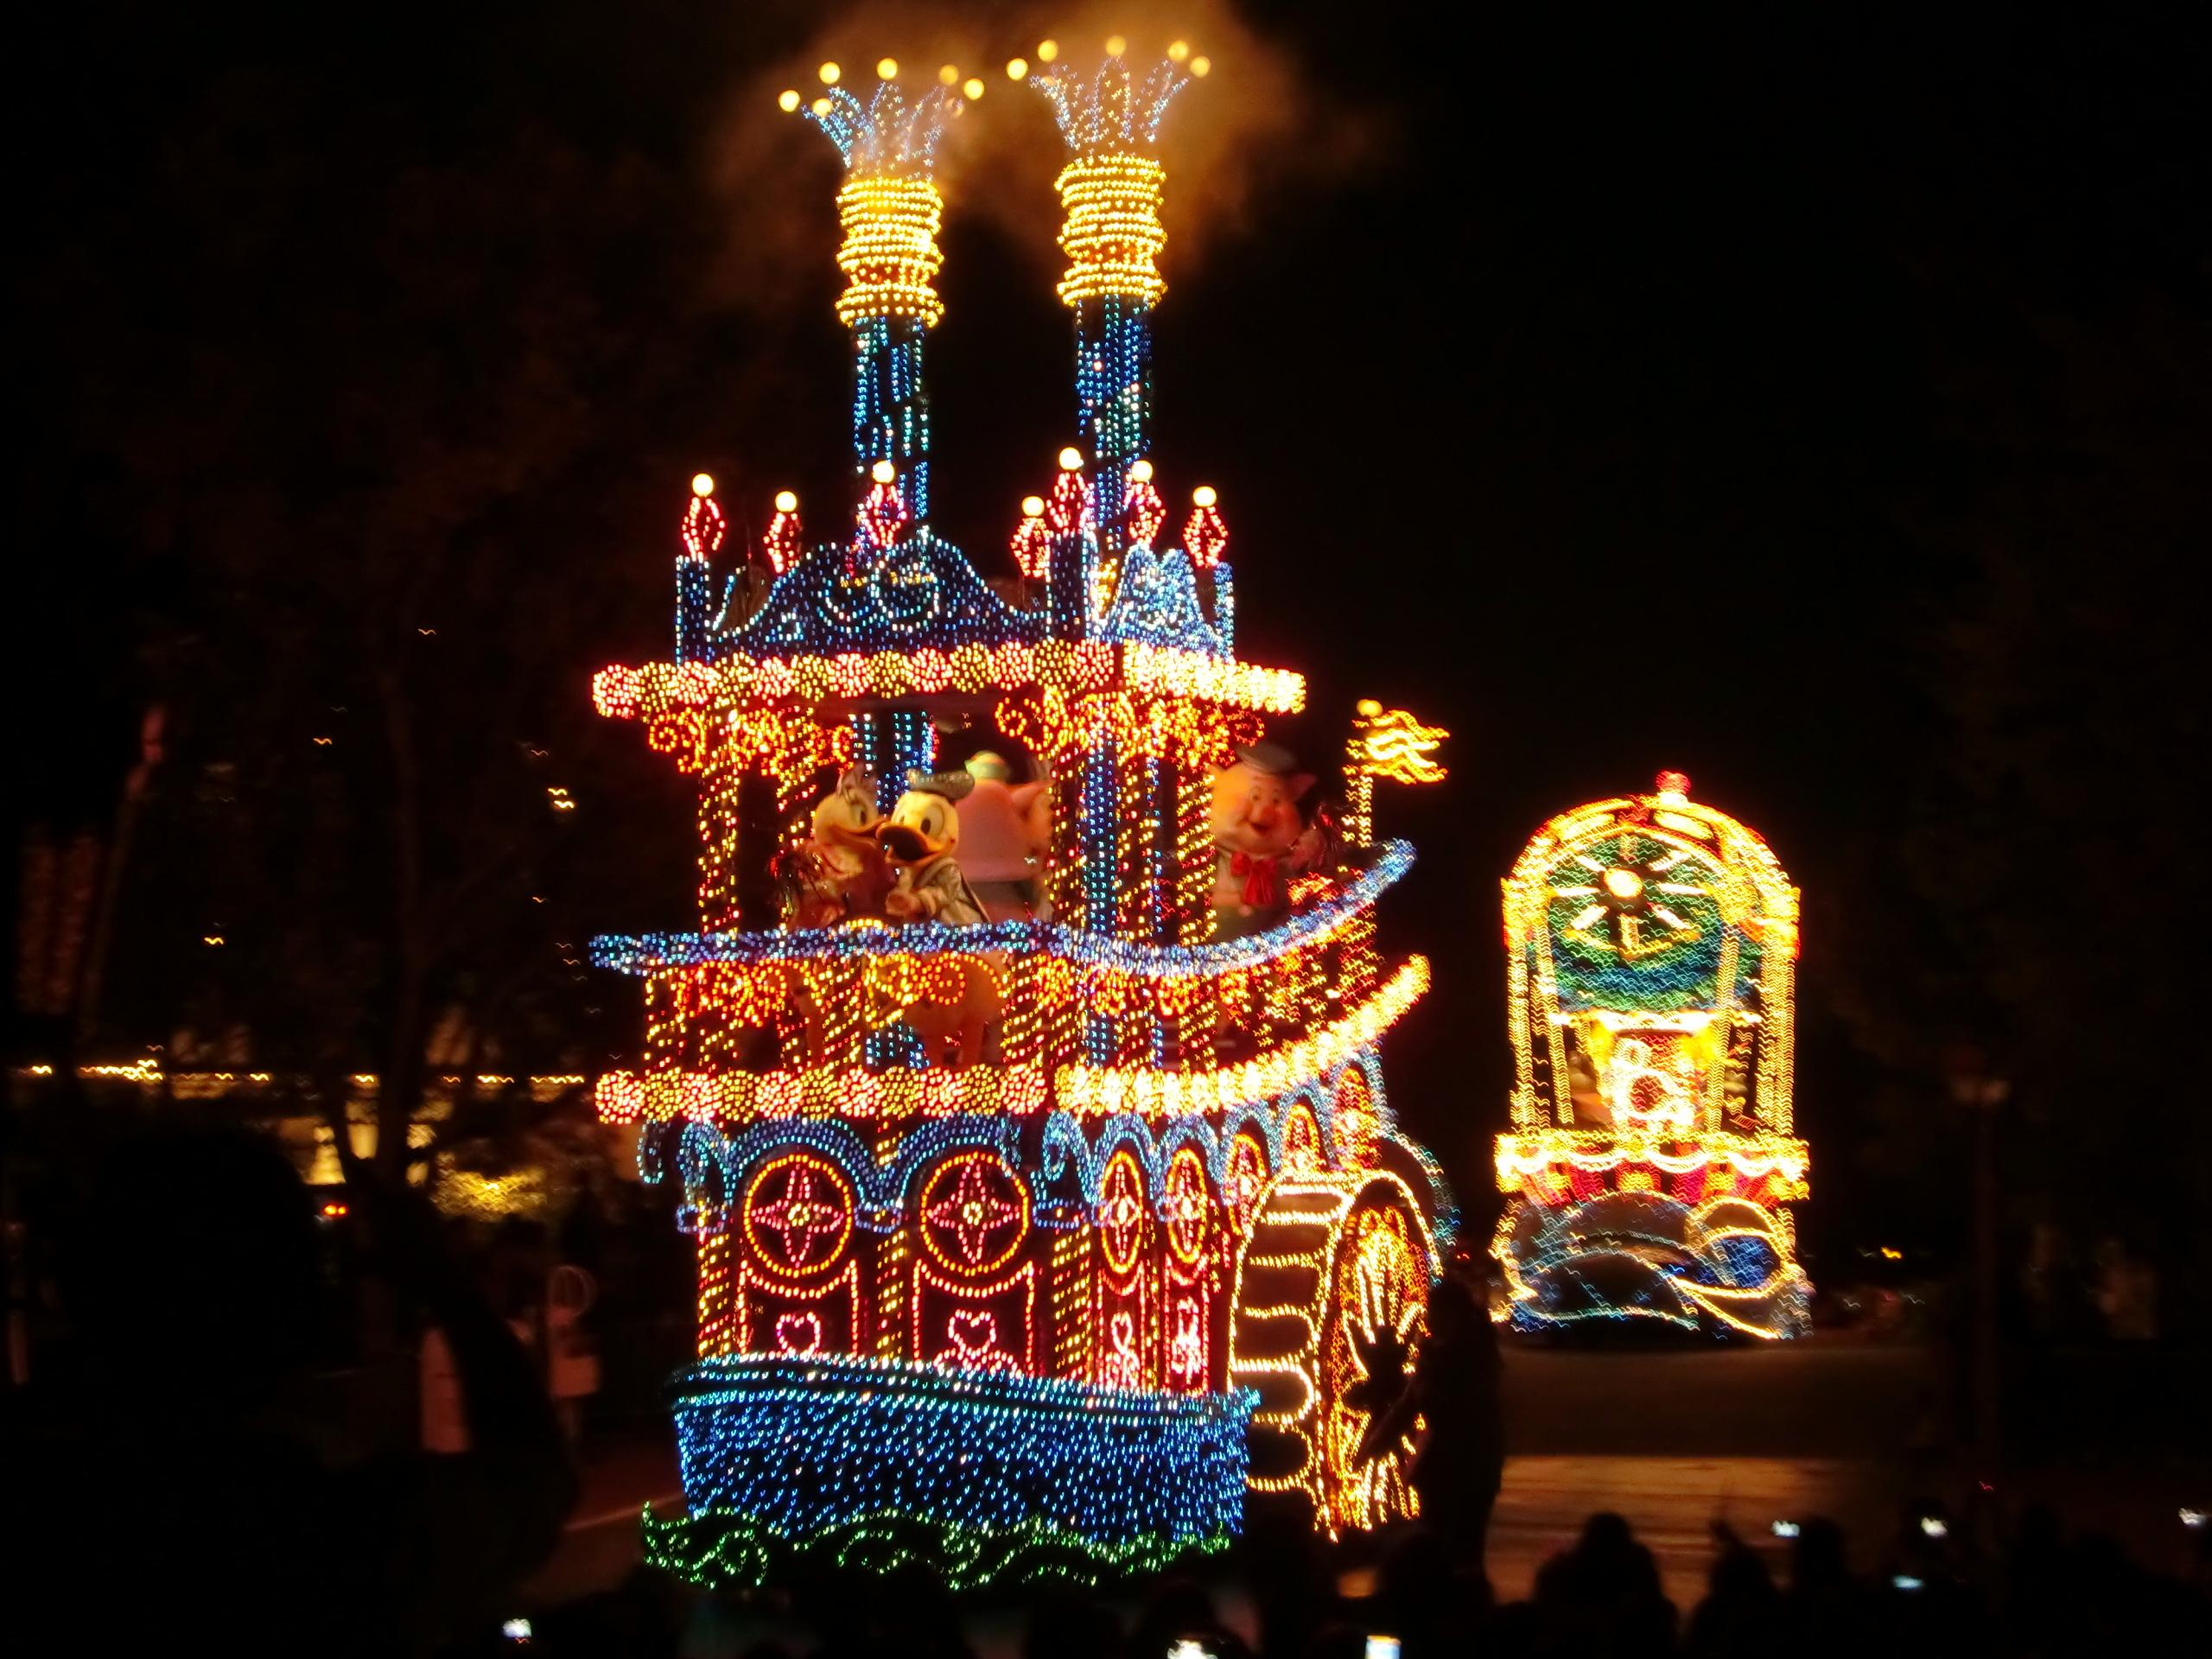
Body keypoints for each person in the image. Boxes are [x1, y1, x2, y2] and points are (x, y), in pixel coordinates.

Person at [4, 1122, 577, 1655]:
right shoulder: (340, 1534)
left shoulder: (44, 1509)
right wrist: (445, 1283)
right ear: (291, 1312)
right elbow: (534, 1482)